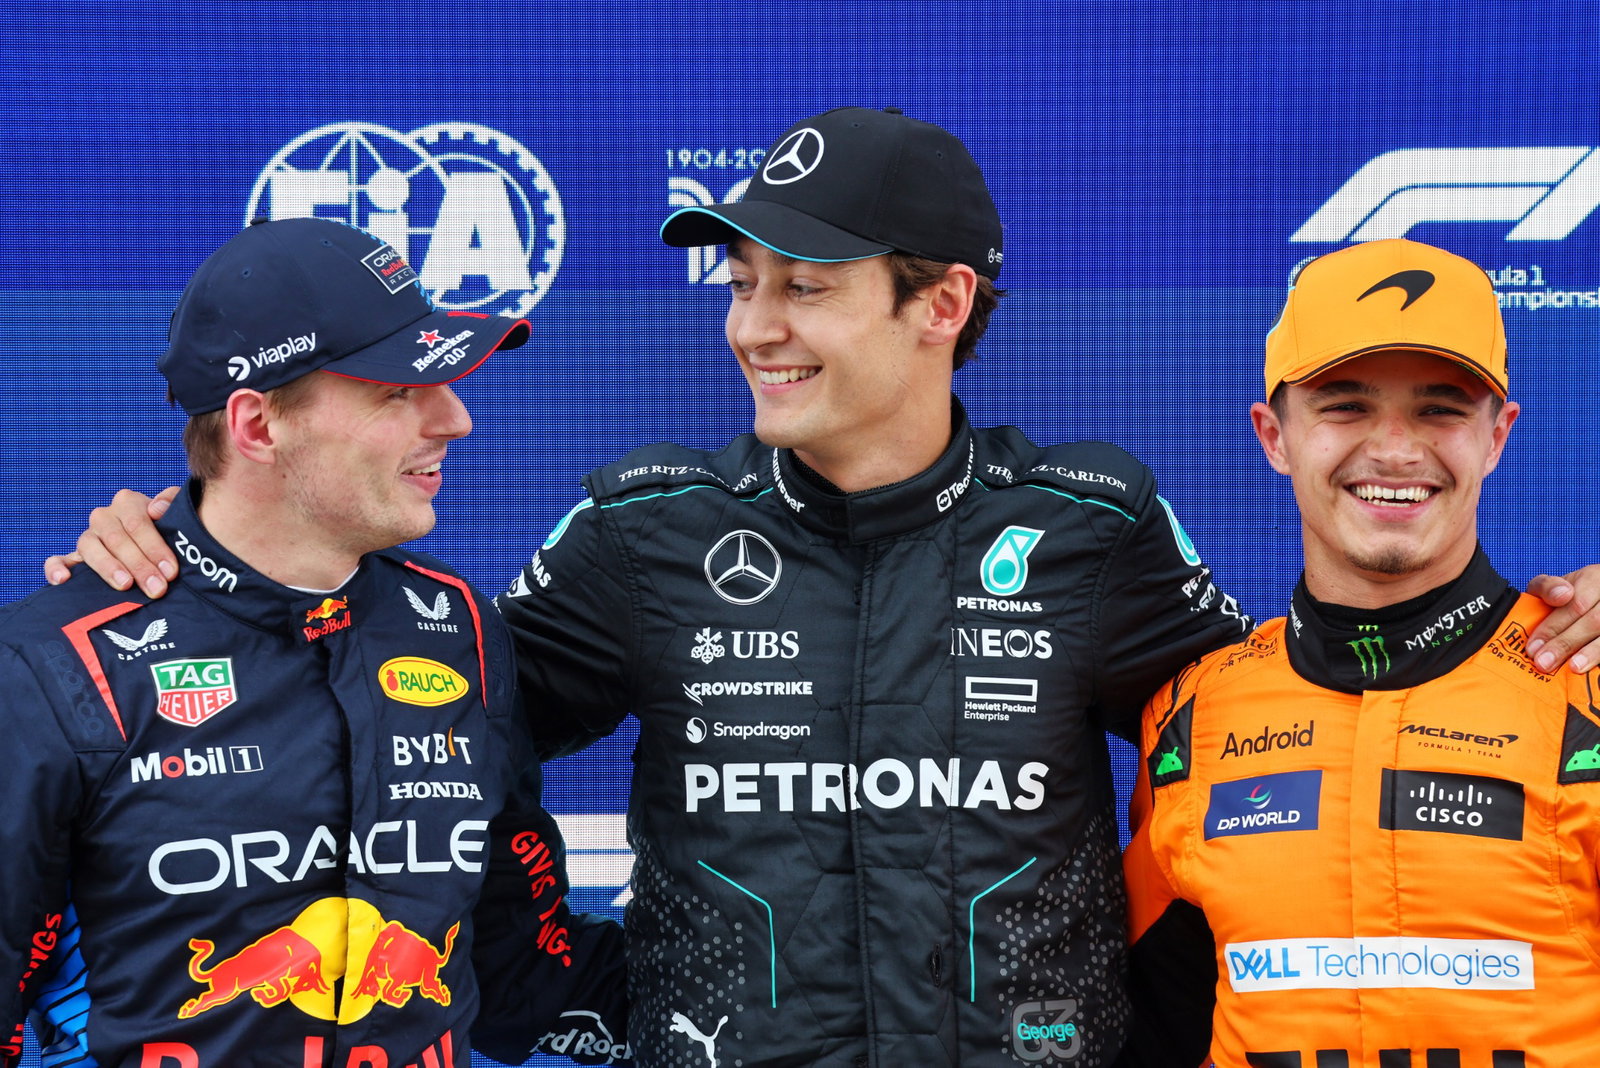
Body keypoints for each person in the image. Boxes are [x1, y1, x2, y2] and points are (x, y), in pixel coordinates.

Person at [48, 111, 1600, 1067]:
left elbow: (1294, 714)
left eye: (802, 284)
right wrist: (191, 558)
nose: (753, 325)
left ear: (942, 303)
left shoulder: (1091, 522)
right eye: (740, 283)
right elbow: (416, 717)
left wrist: (1566, 628)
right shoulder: (643, 529)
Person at [3, 218, 628, 1068]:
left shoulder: (461, 631)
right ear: (258, 427)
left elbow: (520, 971)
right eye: (399, 392)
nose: (457, 419)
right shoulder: (56, 664)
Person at [1120, 238, 1600, 1066]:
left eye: (1441, 408)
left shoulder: (1586, 677)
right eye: (1344, 406)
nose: (1396, 451)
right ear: (1274, 436)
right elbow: (1152, 1024)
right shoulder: (1193, 714)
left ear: (1497, 436)